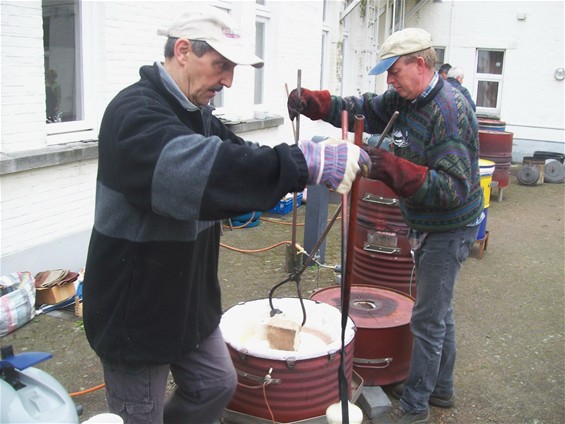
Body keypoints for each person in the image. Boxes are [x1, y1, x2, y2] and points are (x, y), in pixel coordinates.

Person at [82, 6, 370, 424]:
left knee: (216, 384)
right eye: (221, 65)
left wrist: (310, 157)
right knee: (140, 417)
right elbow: (203, 174)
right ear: (183, 51)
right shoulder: (133, 115)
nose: (229, 80)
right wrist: (301, 164)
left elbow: (239, 157)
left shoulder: (196, 115)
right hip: (137, 312)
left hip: (187, 302)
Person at [287, 28, 483, 424]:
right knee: (439, 311)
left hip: (447, 227)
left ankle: (414, 407)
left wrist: (387, 165)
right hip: (424, 220)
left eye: (393, 71)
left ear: (421, 65)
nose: (388, 81)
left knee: (427, 319)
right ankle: (441, 388)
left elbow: (453, 188)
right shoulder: (408, 97)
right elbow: (363, 108)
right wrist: (316, 103)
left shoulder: (448, 113)